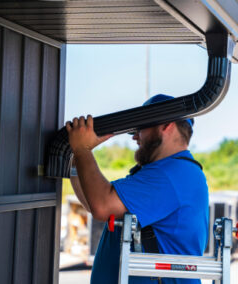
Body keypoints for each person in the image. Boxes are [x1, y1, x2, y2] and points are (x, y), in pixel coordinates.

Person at [66, 94, 209, 284]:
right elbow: (94, 204)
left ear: (166, 125)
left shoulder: (171, 175)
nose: (134, 137)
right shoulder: (170, 172)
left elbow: (102, 205)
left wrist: (83, 149)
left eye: (140, 128)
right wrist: (78, 160)